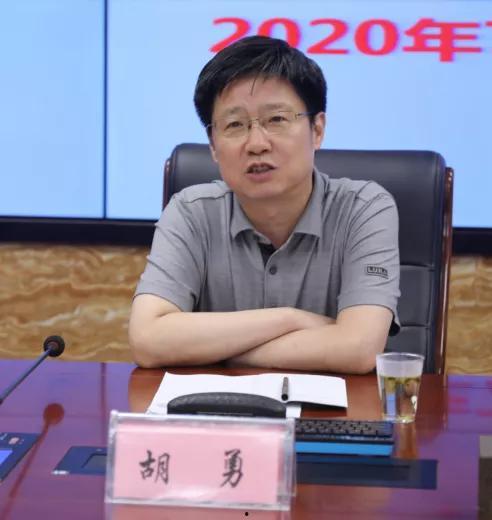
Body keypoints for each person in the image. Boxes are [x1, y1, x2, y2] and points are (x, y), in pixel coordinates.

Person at [129, 35, 400, 373]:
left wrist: (221, 352)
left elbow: (358, 349)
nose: (257, 144)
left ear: (317, 129)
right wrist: (290, 319)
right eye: (235, 125)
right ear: (213, 145)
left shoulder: (364, 209)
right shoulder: (191, 212)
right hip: (218, 407)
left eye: (276, 120)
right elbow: (148, 339)